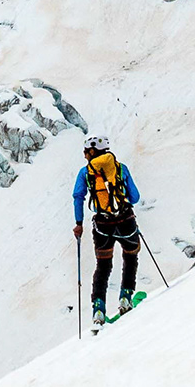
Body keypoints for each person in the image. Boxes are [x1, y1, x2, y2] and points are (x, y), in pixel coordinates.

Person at [73, 136, 149, 323]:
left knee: (103, 266)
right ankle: (125, 298)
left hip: (102, 225)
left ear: (91, 151)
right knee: (130, 257)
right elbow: (135, 197)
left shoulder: (85, 173)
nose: (84, 154)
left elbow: (78, 197)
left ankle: (98, 309)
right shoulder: (121, 168)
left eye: (85, 151)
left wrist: (79, 224)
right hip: (125, 221)